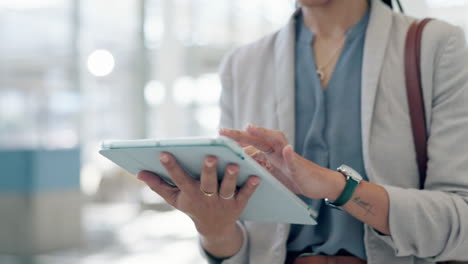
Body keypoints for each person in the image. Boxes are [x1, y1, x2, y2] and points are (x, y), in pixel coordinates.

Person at [137, 0, 468, 263]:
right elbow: (239, 246)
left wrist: (336, 186)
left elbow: (461, 224)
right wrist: (214, 228)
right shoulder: (242, 65)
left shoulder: (436, 47)